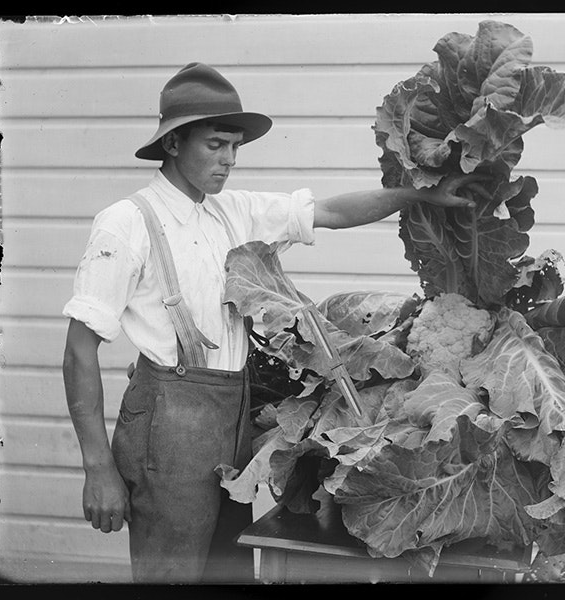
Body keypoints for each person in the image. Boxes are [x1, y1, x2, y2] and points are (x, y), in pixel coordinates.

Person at [61, 62, 481, 584]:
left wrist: (421, 196)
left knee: (228, 571)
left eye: (235, 147)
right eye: (215, 145)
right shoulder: (127, 222)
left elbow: (329, 210)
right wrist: (98, 469)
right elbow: (79, 350)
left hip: (230, 422)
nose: (229, 160)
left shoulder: (232, 211)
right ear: (172, 144)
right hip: (166, 428)